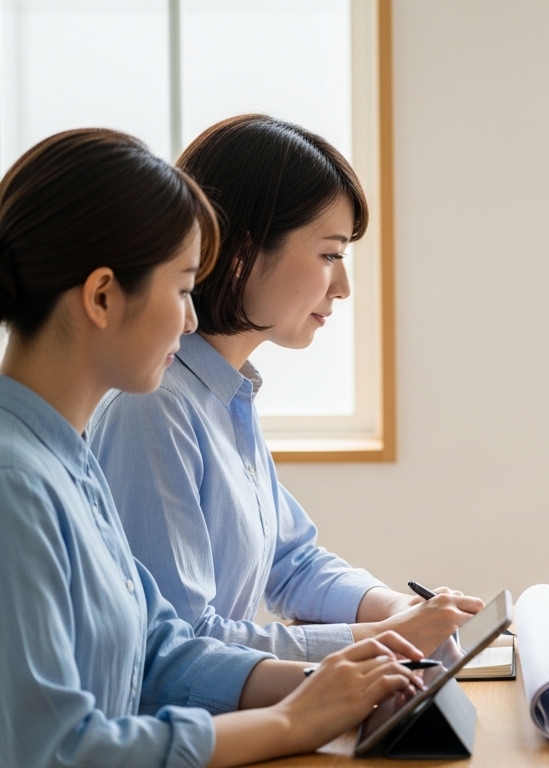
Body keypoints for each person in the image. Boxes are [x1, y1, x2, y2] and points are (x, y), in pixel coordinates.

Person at [0, 127, 427, 768]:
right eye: (180, 289)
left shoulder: (68, 458)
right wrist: (292, 721)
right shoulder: (18, 480)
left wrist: (344, 679)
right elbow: (57, 748)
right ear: (102, 296)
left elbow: (161, 647)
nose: (193, 318)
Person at [87, 115, 481, 663]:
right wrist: (383, 641)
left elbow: (290, 561)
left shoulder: (227, 397)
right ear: (244, 250)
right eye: (330, 254)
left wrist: (400, 612)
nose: (342, 287)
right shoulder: (153, 407)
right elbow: (178, 643)